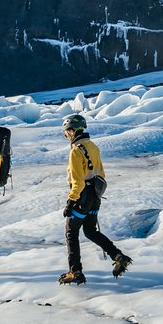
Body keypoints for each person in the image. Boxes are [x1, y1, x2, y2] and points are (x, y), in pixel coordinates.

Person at [59, 114, 132, 285]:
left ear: (73, 130)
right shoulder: (93, 146)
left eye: (66, 132)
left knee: (71, 231)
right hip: (95, 195)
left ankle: (75, 271)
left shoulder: (76, 151)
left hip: (82, 196)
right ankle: (118, 256)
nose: (66, 135)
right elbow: (100, 173)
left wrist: (71, 201)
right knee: (91, 231)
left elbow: (77, 182)